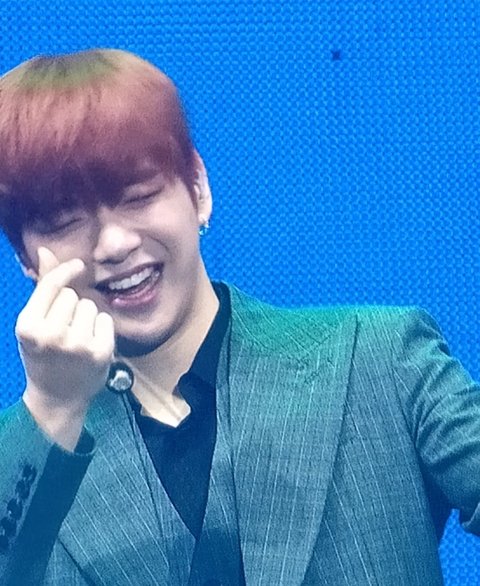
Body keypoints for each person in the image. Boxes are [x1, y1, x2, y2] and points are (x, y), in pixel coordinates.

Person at [0, 48, 479, 586]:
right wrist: (53, 409)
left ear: (198, 189)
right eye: (64, 221)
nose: (113, 244)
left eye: (139, 196)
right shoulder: (21, 461)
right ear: (25, 257)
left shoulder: (383, 362)